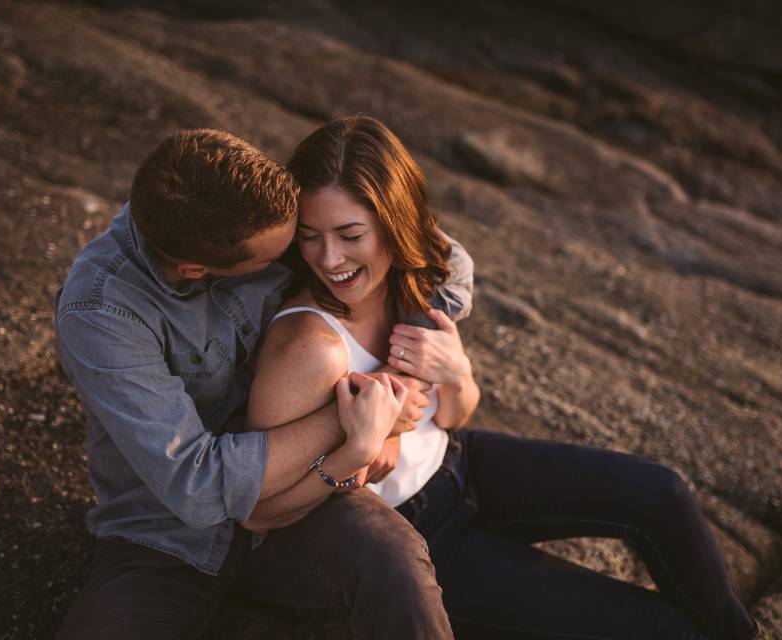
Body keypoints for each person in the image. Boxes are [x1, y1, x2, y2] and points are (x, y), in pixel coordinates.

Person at [246, 115, 760, 640]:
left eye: (350, 234)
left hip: (461, 464)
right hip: (417, 533)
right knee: (660, 629)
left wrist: (457, 371)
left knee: (662, 493)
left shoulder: (408, 284)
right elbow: (258, 511)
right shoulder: (310, 345)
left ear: (393, 224)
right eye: (310, 238)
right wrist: (362, 444)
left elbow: (454, 413)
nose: (329, 259)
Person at [53, 128, 475, 639]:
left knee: (389, 553)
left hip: (300, 499)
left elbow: (434, 254)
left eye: (297, 238)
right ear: (198, 270)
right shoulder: (103, 310)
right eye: (279, 255)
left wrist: (402, 391)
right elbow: (196, 486)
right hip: (169, 534)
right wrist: (366, 407)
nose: (314, 258)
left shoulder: (263, 212)